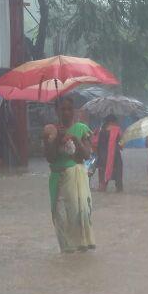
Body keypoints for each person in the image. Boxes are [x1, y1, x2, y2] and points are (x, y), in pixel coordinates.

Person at [43, 97, 95, 253]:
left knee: (80, 216)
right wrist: (57, 139)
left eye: (69, 109)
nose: (66, 112)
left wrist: (74, 139)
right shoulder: (50, 131)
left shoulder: (81, 129)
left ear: (73, 111)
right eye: (62, 109)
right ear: (56, 111)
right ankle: (66, 253)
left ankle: (80, 259)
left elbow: (86, 155)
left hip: (77, 180)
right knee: (61, 218)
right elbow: (50, 158)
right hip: (58, 180)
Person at [96, 114, 123, 192]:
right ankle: (118, 188)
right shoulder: (117, 129)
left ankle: (102, 186)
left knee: (102, 171)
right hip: (115, 155)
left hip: (102, 154)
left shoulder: (102, 129)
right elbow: (121, 143)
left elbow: (98, 143)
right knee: (117, 171)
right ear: (114, 121)